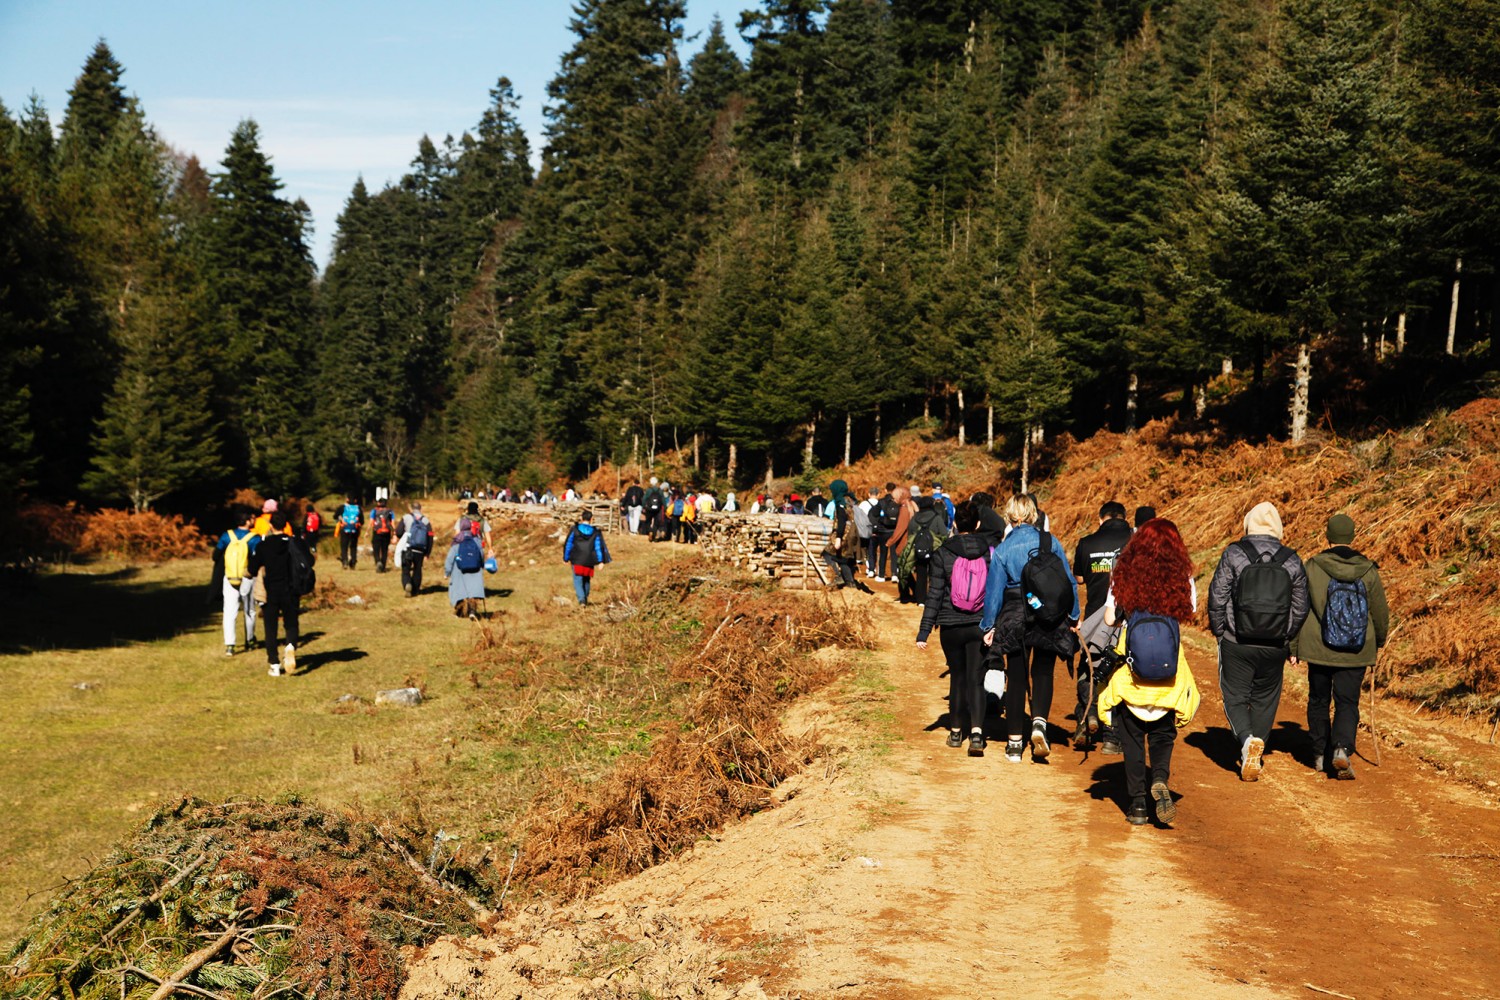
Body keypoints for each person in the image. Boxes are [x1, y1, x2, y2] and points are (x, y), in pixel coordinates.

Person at [1096, 519, 1201, 825]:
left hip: (1134, 661)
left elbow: (1108, 619)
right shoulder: (1182, 574)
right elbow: (1190, 611)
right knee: (1163, 732)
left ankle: (1138, 805)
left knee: (1130, 735)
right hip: (1169, 662)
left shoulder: (1125, 570)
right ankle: (1160, 778)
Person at [1207, 501, 1310, 781]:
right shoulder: (1292, 559)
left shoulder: (1234, 553)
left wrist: (1220, 630)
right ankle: (1257, 748)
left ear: (1248, 523)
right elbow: (1301, 606)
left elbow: (1218, 595)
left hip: (1236, 641)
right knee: (1266, 699)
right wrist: (1286, 634)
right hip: (1275, 644)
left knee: (1234, 696)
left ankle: (1246, 740)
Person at [980, 493, 1080, 762]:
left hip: (1014, 613)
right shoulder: (1051, 542)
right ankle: (1039, 723)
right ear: (1033, 514)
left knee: (1016, 675)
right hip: (1049, 614)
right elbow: (1068, 582)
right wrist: (1073, 616)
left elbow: (994, 593)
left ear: (1010, 516)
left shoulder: (1003, 549)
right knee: (1044, 672)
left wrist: (989, 625)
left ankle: (1014, 744)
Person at [1290, 513, 1390, 780]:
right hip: (1357, 649)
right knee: (1347, 702)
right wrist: (1378, 642)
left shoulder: (1313, 566)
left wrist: (1294, 646)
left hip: (1320, 648)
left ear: (1328, 536)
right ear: (1352, 536)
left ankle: (1320, 754)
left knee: (1319, 700)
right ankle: (1342, 749)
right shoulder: (1368, 569)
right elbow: (1380, 612)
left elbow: (1299, 607)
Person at [917, 500, 993, 754]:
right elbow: (995, 593)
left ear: (954, 523)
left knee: (957, 677)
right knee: (976, 680)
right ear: (978, 524)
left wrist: (924, 631)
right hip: (979, 624)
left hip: (950, 624)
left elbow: (935, 594)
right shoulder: (990, 552)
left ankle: (955, 732)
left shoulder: (943, 553)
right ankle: (978, 735)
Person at [1071, 500, 1134, 749]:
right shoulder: (1136, 542)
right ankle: (1112, 736)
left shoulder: (1087, 543)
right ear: (1125, 518)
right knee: (1119, 673)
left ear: (1100, 519)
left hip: (1097, 618)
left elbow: (1078, 578)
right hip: (1127, 621)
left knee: (1089, 668)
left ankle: (1087, 718)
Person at [247, 511, 304, 676]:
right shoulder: (292, 543)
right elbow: (308, 561)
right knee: (291, 622)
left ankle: (274, 664)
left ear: (271, 525)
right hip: (291, 589)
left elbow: (252, 568)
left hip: (270, 591)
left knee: (270, 627)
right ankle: (290, 646)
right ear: (286, 524)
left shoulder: (263, 545)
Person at [216, 508, 260, 656]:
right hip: (247, 576)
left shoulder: (226, 536)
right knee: (249, 610)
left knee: (229, 611)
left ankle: (230, 645)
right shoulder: (254, 538)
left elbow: (216, 554)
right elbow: (257, 558)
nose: (254, 521)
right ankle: (250, 640)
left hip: (229, 577)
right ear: (247, 521)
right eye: (252, 518)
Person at [820, 479, 872, 593]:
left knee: (829, 554)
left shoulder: (840, 502)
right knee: (846, 559)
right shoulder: (851, 500)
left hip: (845, 535)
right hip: (854, 535)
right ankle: (850, 582)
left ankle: (843, 579)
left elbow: (842, 521)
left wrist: (838, 537)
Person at [563, 509, 612, 606]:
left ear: (581, 518)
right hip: (589, 559)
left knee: (578, 579)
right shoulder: (595, 532)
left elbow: (569, 544)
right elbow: (598, 546)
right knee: (586, 579)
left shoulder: (575, 529)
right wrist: (600, 561)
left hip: (576, 558)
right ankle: (585, 597)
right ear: (591, 519)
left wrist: (566, 557)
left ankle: (582, 600)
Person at [445, 520, 487, 619]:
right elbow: (481, 554)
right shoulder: (476, 540)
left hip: (459, 570)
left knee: (459, 591)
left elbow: (450, 558)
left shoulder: (457, 540)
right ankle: (472, 611)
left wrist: (447, 572)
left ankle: (459, 612)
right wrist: (482, 565)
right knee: (473, 591)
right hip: (475, 569)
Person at [397, 502, 434, 597]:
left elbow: (398, 531)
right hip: (420, 550)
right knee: (417, 569)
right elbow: (430, 537)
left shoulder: (406, 517)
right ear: (420, 508)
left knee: (406, 569)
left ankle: (407, 584)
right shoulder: (425, 520)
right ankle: (416, 590)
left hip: (407, 547)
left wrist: (402, 537)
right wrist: (428, 552)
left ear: (411, 508)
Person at [368, 497, 396, 573]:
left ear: (378, 503)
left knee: (376, 549)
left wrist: (367, 531)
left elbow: (371, 522)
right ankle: (383, 566)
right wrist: (394, 533)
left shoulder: (374, 511)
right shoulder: (390, 511)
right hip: (387, 532)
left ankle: (378, 561)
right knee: (384, 550)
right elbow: (392, 523)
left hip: (377, 532)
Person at [337, 495, 362, 569]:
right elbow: (362, 521)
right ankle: (353, 562)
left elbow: (335, 516)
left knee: (344, 546)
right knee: (353, 546)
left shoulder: (342, 507)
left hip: (344, 529)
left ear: (347, 499)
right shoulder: (358, 508)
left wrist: (341, 520)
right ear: (355, 500)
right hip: (355, 530)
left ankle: (345, 561)